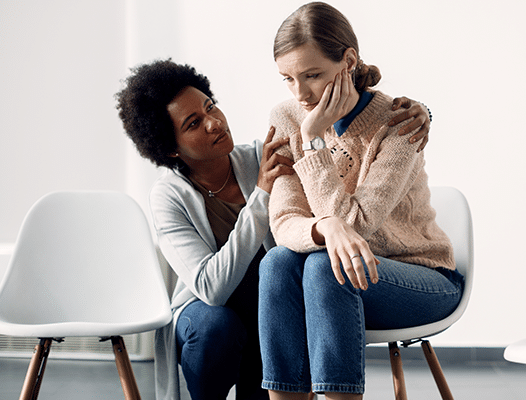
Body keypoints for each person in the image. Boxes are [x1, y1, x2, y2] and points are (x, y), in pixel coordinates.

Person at [114, 59, 433, 400]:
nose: (214, 123)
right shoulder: (168, 196)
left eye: (210, 107)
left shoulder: (262, 155)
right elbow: (211, 288)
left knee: (278, 281)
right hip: (207, 313)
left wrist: (420, 112)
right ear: (170, 147)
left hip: (265, 307)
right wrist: (261, 194)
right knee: (216, 328)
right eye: (194, 123)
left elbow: (330, 144)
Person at [259, 2, 465, 400]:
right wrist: (325, 226)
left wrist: (315, 138)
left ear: (348, 61)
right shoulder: (285, 117)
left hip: (421, 279)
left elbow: (357, 224)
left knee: (323, 265)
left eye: (312, 75)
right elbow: (284, 221)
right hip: (344, 276)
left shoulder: (399, 122)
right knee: (278, 262)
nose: (300, 93)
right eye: (287, 79)